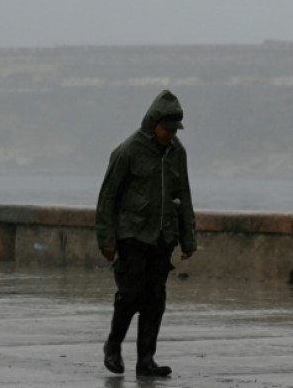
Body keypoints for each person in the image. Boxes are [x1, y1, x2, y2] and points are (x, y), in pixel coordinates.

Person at [95, 89, 197, 377]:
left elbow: (184, 196)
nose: (171, 135)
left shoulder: (178, 153)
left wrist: (188, 238)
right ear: (154, 122)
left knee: (155, 298)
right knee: (130, 295)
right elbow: (107, 198)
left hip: (163, 237)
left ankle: (146, 360)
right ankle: (113, 346)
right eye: (167, 129)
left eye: (175, 129)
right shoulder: (127, 151)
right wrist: (106, 239)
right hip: (132, 236)